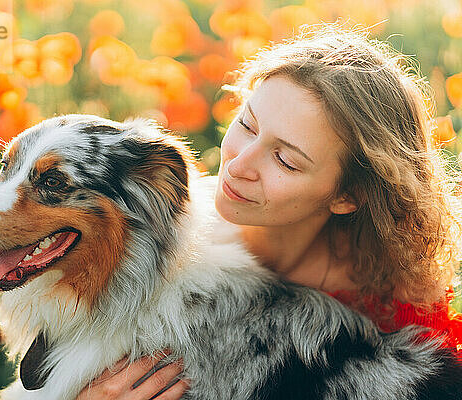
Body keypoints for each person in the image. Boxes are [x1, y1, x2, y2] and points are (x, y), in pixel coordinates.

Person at [76, 24, 462, 400]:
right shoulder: (154, 235)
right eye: (246, 124)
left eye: (285, 160)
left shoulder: (395, 298)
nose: (238, 164)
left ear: (347, 196)